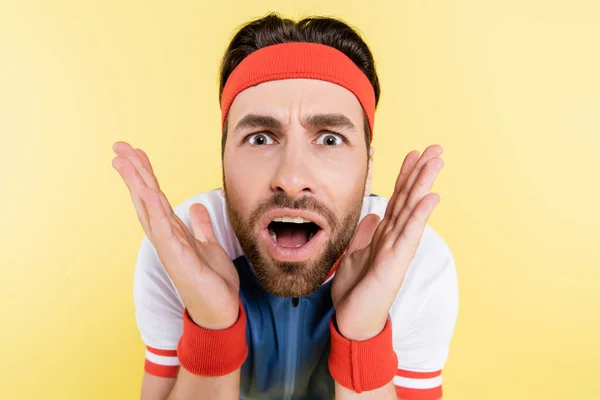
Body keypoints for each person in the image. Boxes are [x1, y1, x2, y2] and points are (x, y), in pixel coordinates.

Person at [112, 13, 458, 400]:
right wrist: (212, 327)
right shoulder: (180, 250)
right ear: (223, 162)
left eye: (329, 140)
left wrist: (363, 336)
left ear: (369, 168)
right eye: (261, 139)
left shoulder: (416, 264)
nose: (291, 179)